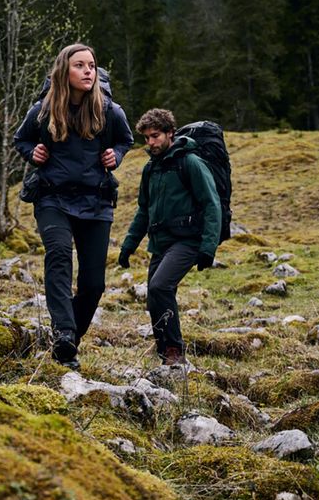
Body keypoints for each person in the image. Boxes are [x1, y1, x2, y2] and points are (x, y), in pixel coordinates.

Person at [14, 43, 133, 369]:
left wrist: (116, 155)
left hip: (96, 202)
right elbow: (20, 139)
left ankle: (68, 344)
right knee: (59, 257)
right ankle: (63, 330)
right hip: (52, 198)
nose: (88, 71)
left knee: (94, 284)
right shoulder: (42, 110)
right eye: (80, 65)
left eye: (91, 65)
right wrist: (33, 153)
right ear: (63, 71)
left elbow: (125, 139)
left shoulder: (110, 111)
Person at [118, 109, 221, 366]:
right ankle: (164, 351)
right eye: (147, 138)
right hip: (160, 243)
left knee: (160, 286)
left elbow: (211, 204)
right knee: (155, 295)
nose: (151, 142)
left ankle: (175, 350)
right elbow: (144, 210)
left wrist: (208, 248)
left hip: (188, 240)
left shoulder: (190, 163)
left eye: (155, 136)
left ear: (170, 133)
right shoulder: (150, 168)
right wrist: (128, 246)